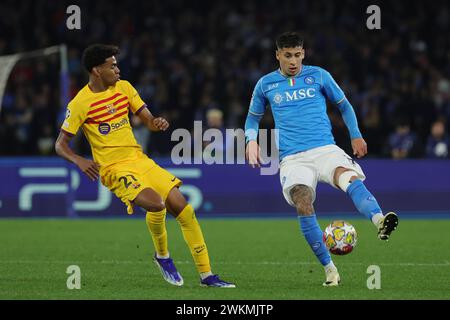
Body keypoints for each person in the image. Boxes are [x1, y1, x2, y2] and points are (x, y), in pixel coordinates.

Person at [55, 44, 235, 288]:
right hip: (115, 168)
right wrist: (80, 160)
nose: (118, 69)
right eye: (112, 66)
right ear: (97, 70)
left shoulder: (124, 88)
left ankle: (207, 276)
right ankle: (163, 256)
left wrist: (155, 122)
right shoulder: (80, 104)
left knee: (184, 209)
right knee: (156, 204)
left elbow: (146, 119)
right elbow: (60, 145)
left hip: (140, 160)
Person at [244, 32, 398, 287]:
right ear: (278, 55)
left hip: (325, 148)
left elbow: (345, 105)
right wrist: (251, 140)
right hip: (293, 158)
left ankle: (379, 220)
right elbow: (252, 118)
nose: (293, 61)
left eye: (297, 55)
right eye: (288, 55)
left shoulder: (319, 75)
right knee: (303, 202)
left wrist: (356, 135)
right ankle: (330, 269)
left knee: (348, 177)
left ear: (303, 53)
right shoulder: (265, 84)